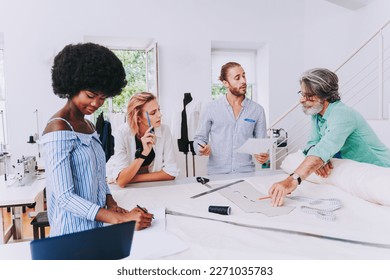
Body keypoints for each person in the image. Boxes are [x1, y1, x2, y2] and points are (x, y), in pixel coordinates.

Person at [41, 43, 153, 237]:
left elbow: (97, 176)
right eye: (90, 95)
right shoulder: (58, 127)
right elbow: (64, 198)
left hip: (95, 229)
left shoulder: (89, 126)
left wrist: (111, 203)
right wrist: (120, 219)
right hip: (71, 235)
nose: (96, 104)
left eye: (102, 98)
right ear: (72, 86)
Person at [269, 68, 390, 207]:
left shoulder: (342, 114)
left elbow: (323, 149)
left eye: (309, 96)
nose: (302, 100)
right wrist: (320, 159)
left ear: (324, 96)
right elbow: (312, 144)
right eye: (302, 94)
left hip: (381, 170)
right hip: (353, 168)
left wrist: (291, 181)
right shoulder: (317, 113)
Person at [194, 62, 269, 175]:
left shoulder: (257, 110)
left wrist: (264, 155)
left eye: (244, 76)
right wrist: (201, 149)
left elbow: (261, 143)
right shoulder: (211, 108)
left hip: (247, 173)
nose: (243, 81)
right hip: (217, 174)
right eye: (237, 78)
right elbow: (199, 139)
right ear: (226, 83)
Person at [106, 92, 179, 187]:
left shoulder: (165, 131)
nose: (159, 115)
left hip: (146, 185)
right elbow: (121, 181)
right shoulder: (122, 133)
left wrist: (131, 178)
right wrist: (143, 154)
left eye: (159, 110)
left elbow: (171, 173)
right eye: (153, 113)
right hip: (115, 184)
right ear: (138, 118)